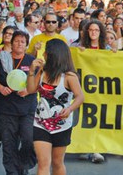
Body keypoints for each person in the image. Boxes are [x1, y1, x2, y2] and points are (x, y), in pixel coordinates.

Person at [25, 39, 84, 174]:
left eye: (47, 51)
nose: (44, 54)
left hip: (62, 125)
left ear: (53, 54)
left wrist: (69, 109)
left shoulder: (69, 76)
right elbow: (30, 89)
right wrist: (31, 71)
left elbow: (80, 97)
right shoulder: (42, 71)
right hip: (40, 123)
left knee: (57, 163)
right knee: (43, 163)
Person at [0, 30, 37, 174]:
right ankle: (12, 172)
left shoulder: (31, 61)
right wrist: (1, 88)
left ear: (27, 44)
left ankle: (23, 166)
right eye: (16, 41)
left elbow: (38, 83)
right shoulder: (2, 59)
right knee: (9, 144)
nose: (19, 44)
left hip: (27, 109)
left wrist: (28, 91)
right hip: (6, 109)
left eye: (23, 41)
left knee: (29, 139)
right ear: (11, 42)